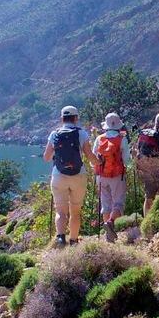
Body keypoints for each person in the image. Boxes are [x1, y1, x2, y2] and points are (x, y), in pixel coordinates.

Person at [42, 105, 96, 247]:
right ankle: (73, 240)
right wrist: (100, 162)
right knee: (76, 211)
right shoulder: (81, 133)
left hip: (59, 175)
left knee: (60, 211)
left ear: (62, 118)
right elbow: (90, 156)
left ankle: (60, 237)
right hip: (78, 176)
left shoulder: (54, 134)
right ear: (76, 118)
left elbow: (46, 157)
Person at [93, 112, 132, 243]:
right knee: (119, 203)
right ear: (118, 125)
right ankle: (110, 223)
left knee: (106, 204)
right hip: (117, 176)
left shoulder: (99, 139)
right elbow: (127, 160)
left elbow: (93, 159)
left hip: (101, 176)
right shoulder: (122, 139)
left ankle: (108, 236)